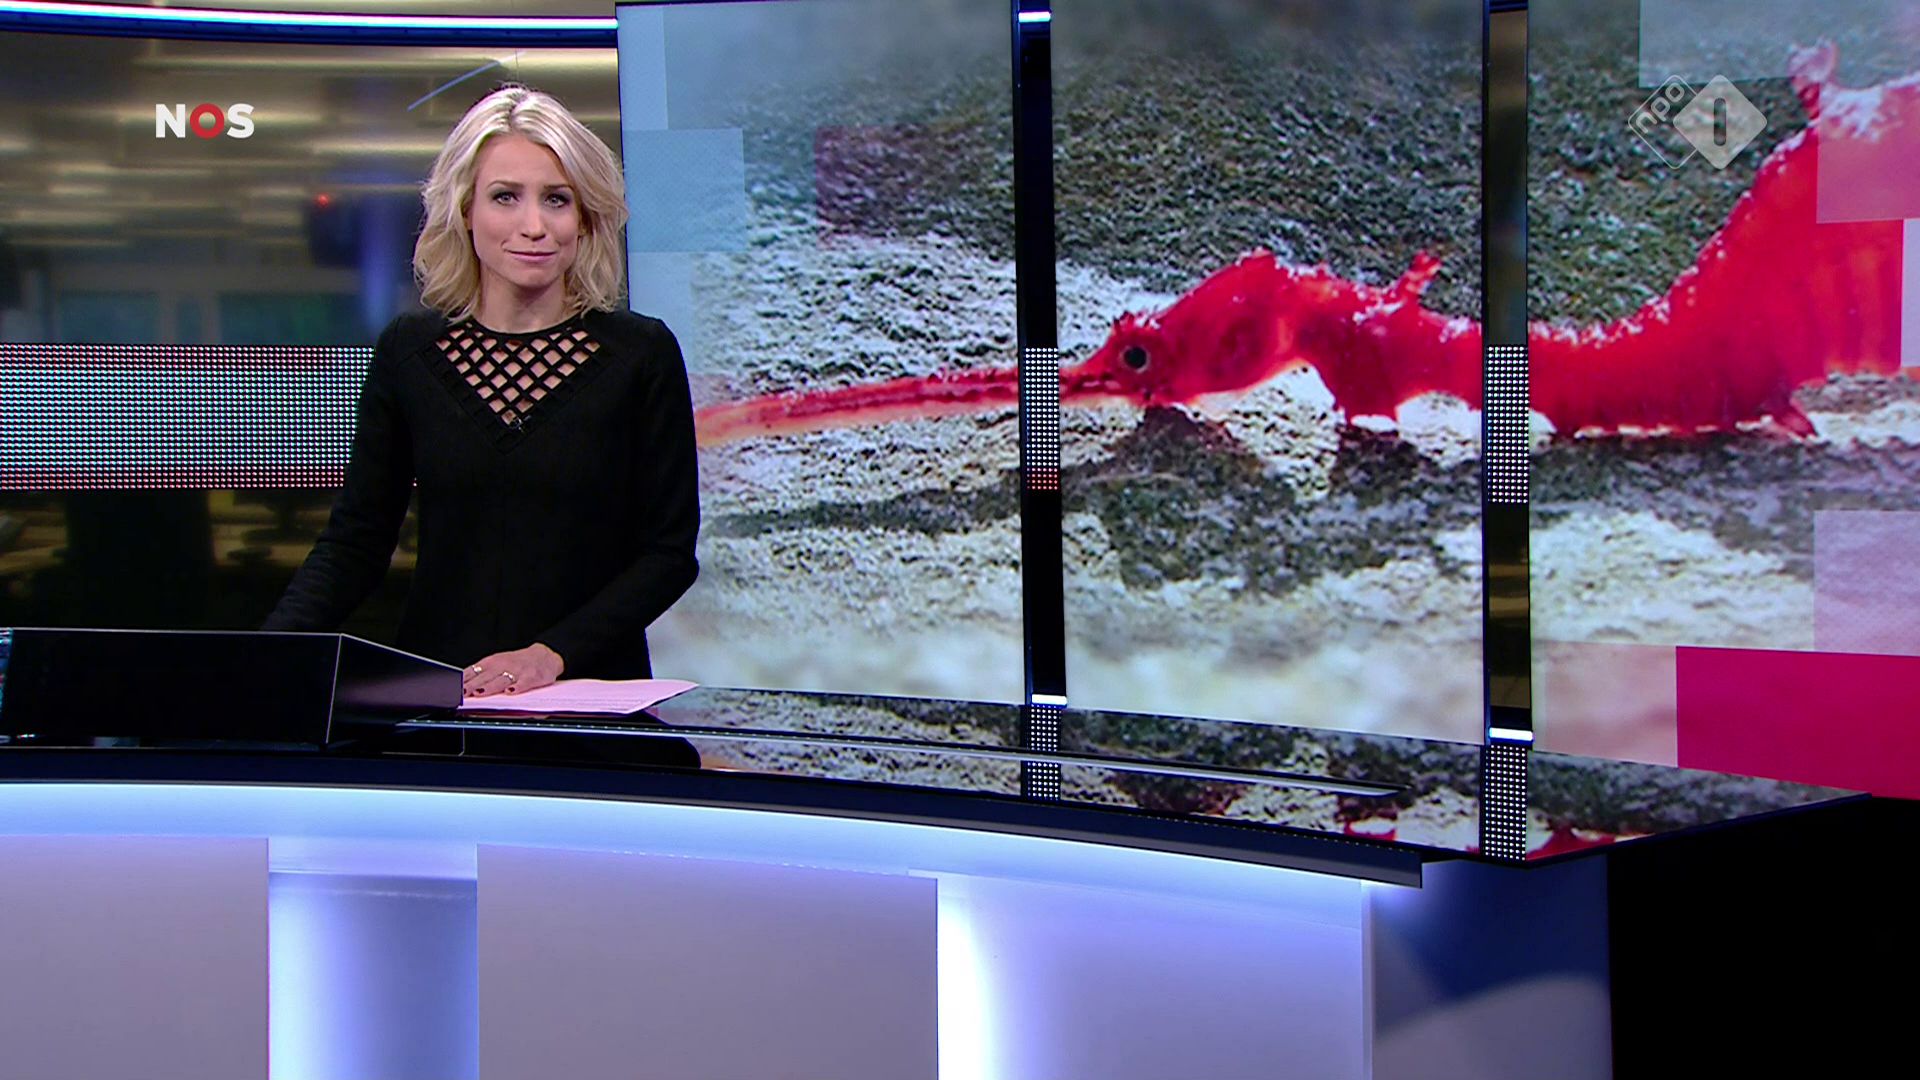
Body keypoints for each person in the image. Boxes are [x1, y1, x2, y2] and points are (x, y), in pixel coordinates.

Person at [265, 85, 699, 703]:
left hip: (591, 695)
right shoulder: (409, 353)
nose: (534, 226)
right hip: (442, 692)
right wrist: (267, 656)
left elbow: (668, 554)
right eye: (505, 197)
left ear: (585, 218)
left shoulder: (641, 355)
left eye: (557, 200)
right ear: (466, 209)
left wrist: (550, 655)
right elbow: (356, 541)